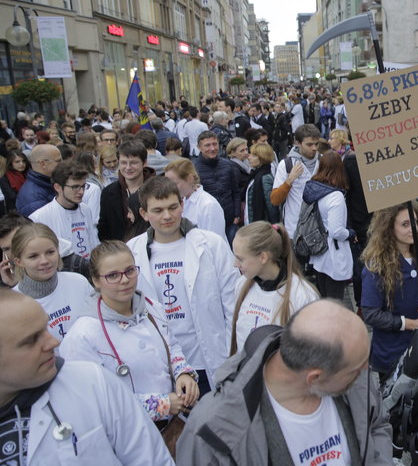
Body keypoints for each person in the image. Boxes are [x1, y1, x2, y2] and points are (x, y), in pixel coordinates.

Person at [176, 300, 392, 465]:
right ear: (315, 377)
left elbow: (377, 425)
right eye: (357, 368)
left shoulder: (353, 379)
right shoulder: (212, 432)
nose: (366, 371)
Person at [0, 289, 174, 464]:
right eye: (31, 340)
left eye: (45, 329)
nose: (54, 342)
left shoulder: (92, 382)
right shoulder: (84, 333)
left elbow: (151, 459)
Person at [60, 240, 200, 424]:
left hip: (174, 425)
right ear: (95, 281)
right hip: (130, 436)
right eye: (113, 275)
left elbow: (171, 346)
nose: (125, 280)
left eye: (129, 271)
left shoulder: (151, 307)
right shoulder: (83, 336)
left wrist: (183, 373)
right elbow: (94, 400)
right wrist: (161, 406)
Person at [128, 177, 238, 393]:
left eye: (172, 207)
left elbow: (233, 304)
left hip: (208, 359)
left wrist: (233, 356)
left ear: (182, 205)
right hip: (162, 365)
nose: (167, 216)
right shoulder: (132, 252)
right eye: (158, 210)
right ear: (144, 213)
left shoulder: (211, 245)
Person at [361, 202, 418, 380]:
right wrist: (408, 323)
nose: (413, 228)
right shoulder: (376, 265)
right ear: (389, 227)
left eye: (415, 222)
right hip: (391, 355)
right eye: (405, 224)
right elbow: (370, 314)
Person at [230, 222, 319, 354]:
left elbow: (311, 350)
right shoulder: (242, 284)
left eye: (240, 259)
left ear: (263, 257)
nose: (235, 264)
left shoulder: (302, 295)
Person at [10, 223, 93, 339]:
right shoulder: (11, 305)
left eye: (50, 252)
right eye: (33, 256)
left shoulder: (79, 282)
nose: (44, 261)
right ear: (18, 261)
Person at [301, 151, 354, 300]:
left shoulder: (316, 190)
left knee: (323, 297)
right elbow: (336, 231)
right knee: (334, 301)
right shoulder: (336, 196)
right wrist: (350, 234)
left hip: (319, 252)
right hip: (333, 254)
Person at [30, 161, 101, 259]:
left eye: (83, 186)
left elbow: (93, 241)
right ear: (58, 187)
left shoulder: (85, 209)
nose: (81, 191)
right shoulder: (39, 218)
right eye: (75, 187)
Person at [271, 124, 321, 238]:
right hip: (295, 231)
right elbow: (275, 200)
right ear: (297, 143)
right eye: (309, 144)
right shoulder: (286, 165)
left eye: (316, 144)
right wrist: (289, 180)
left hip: (320, 230)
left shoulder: (324, 162)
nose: (314, 148)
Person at [98, 140, 155, 241]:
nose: (128, 167)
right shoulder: (109, 192)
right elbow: (104, 229)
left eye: (133, 162)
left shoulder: (157, 189)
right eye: (123, 163)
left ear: (144, 162)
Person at [193, 131, 241, 241]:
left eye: (215, 144)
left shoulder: (227, 165)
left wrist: (237, 215)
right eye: (207, 145)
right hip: (207, 224)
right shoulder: (193, 169)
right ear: (199, 147)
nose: (212, 148)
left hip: (230, 221)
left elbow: (235, 191)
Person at [164, 158, 226, 240]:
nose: (170, 188)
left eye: (175, 184)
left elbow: (215, 242)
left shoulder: (208, 205)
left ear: (190, 178)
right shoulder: (182, 201)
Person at [16, 144, 62, 216]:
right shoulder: (33, 198)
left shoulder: (51, 182)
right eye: (58, 161)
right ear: (43, 164)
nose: (62, 163)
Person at [245, 143, 280, 224]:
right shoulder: (256, 174)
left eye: (254, 155)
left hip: (263, 225)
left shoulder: (265, 177)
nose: (249, 157)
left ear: (262, 158)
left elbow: (271, 206)